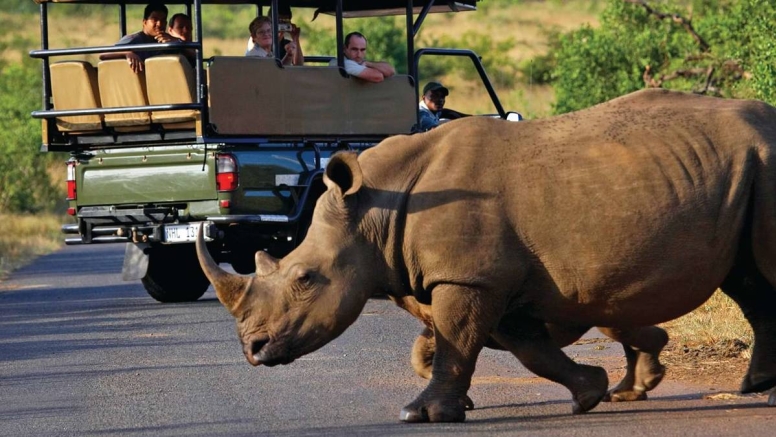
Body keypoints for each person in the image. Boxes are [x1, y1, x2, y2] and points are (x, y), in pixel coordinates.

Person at [99, 2, 182, 73]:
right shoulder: (134, 39)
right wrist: (128, 53)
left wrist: (176, 42)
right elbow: (104, 54)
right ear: (144, 22)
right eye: (155, 20)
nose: (160, 24)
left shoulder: (168, 41)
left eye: (163, 20)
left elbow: (192, 55)